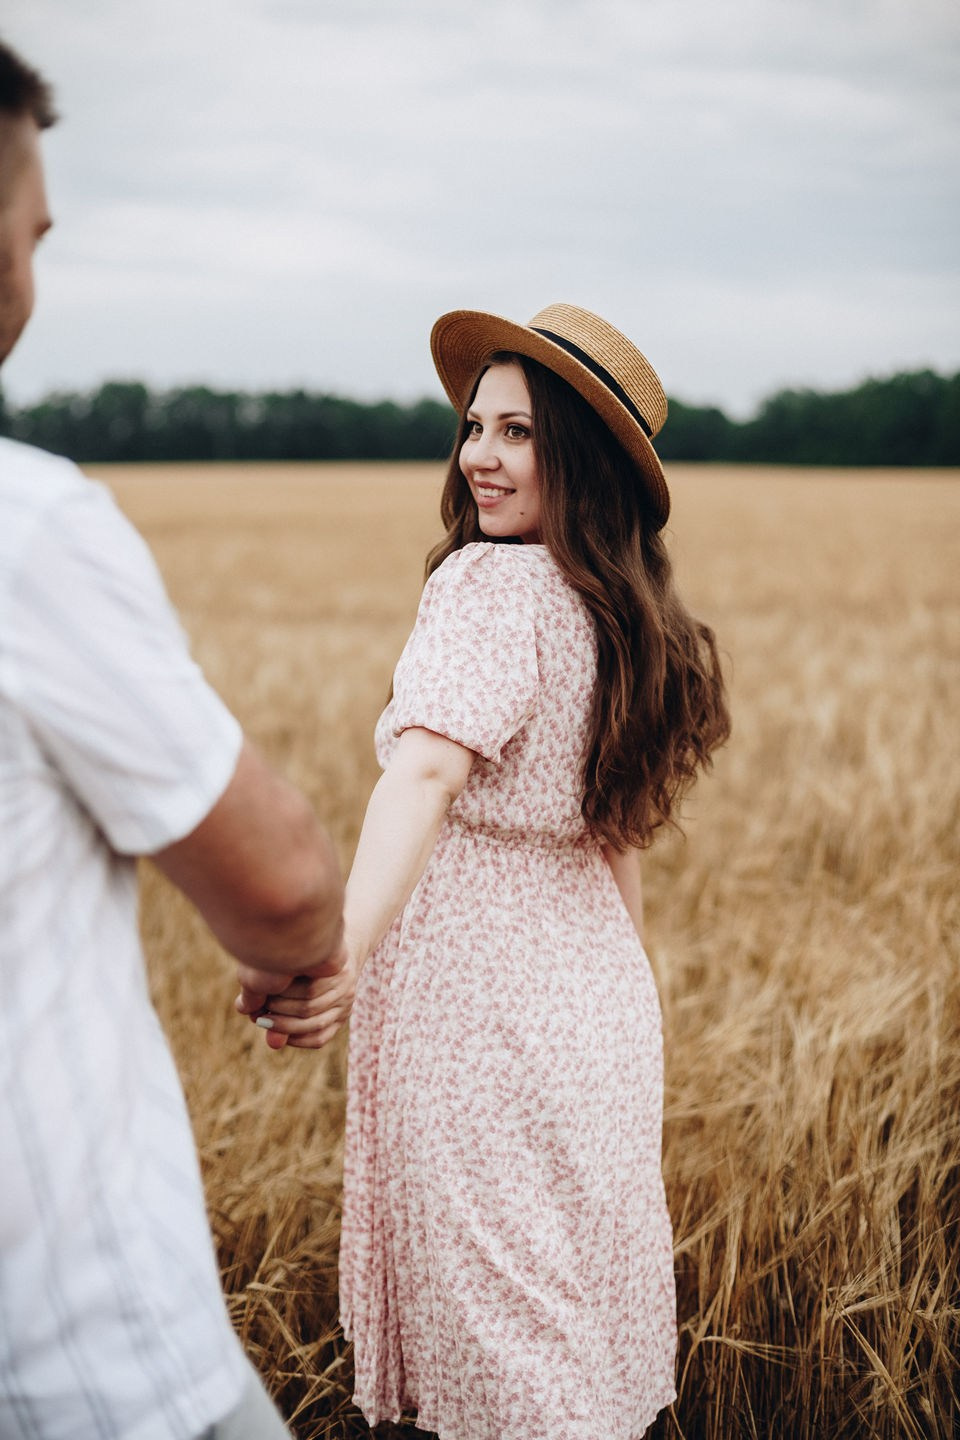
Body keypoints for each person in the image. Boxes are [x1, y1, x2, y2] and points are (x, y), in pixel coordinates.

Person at [247, 303, 731, 1438]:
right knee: (578, 1339)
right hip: (599, 1016)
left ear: (579, 454)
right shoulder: (626, 613)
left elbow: (421, 777)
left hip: (480, 1027)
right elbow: (613, 837)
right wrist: (634, 1000)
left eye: (517, 432)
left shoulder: (488, 587)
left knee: (514, 1362)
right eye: (476, 425)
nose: (479, 455)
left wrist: (342, 954)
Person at [0, 40, 345, 1440]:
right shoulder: (27, 530)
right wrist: (295, 956)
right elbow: (280, 882)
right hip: (80, 1359)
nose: (33, 271)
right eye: (29, 232)